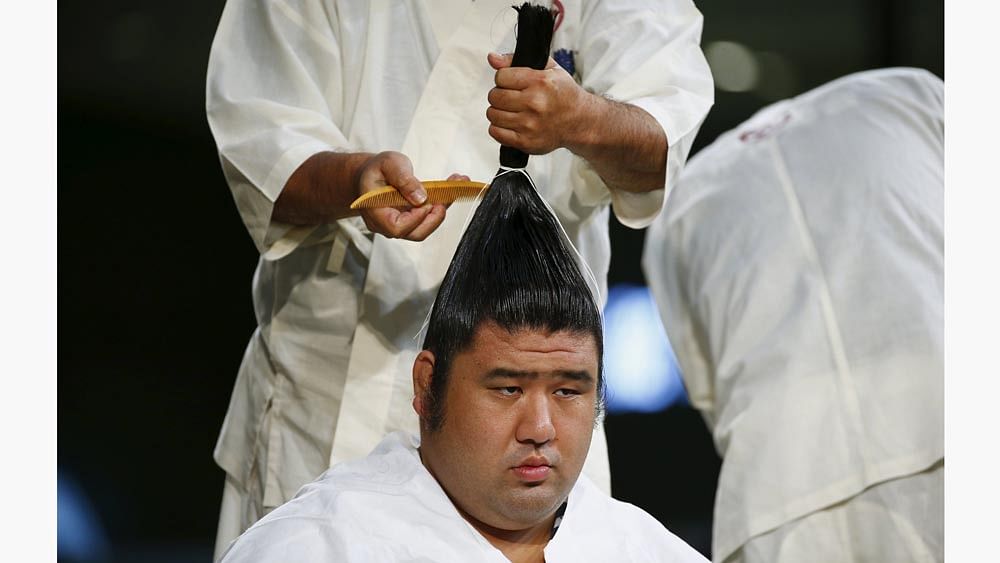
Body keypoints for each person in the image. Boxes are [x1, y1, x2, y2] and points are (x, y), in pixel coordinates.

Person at [205, 0, 713, 556]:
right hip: (337, 378)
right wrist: (354, 179)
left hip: (539, 363)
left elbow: (661, 143)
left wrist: (582, 118)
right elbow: (262, 147)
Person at [218, 153, 709, 561]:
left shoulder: (648, 551)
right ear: (427, 387)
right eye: (508, 388)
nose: (540, 427)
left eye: (567, 390)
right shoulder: (318, 546)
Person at [642, 67, 943, 562]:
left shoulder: (677, 207)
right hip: (938, 424)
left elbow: (707, 392)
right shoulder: (911, 92)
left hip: (776, 494)